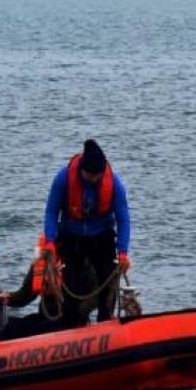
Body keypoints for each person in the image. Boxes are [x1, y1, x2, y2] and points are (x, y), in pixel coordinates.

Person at [43, 138, 131, 326]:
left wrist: (123, 252)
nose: (92, 179)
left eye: (96, 175)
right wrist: (50, 241)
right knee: (70, 284)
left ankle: (105, 322)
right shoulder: (63, 178)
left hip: (102, 235)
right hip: (71, 235)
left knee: (107, 283)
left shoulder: (114, 184)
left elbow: (123, 219)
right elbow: (51, 211)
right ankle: (71, 324)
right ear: (81, 169)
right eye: (89, 175)